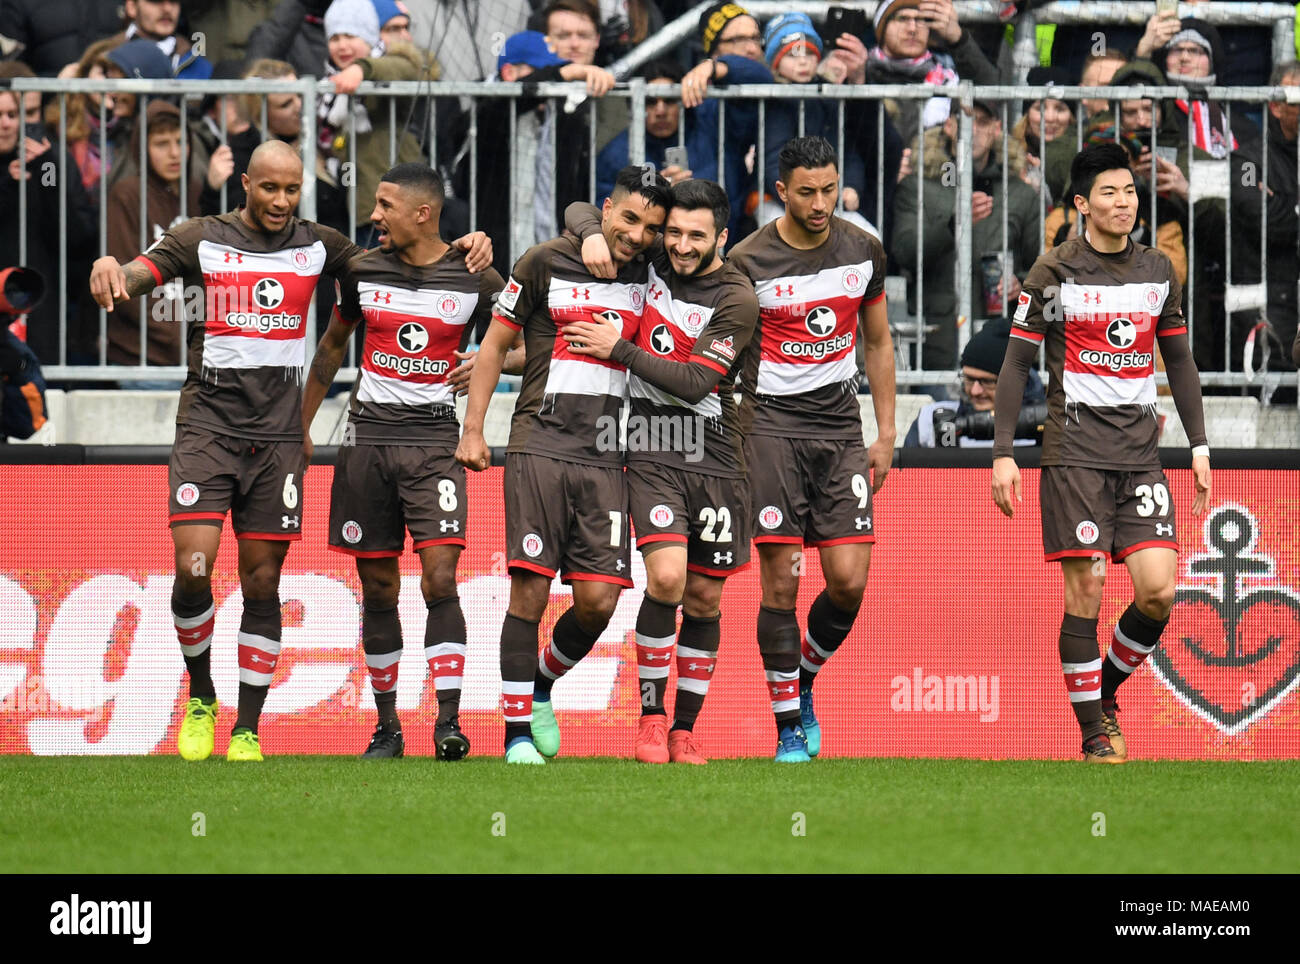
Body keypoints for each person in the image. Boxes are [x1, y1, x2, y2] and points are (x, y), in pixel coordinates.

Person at [87, 139, 491, 763]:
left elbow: (412, 260)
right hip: (209, 428)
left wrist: (471, 241)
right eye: (268, 188)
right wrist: (113, 270)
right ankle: (201, 692)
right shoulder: (201, 236)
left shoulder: (324, 247)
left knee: (263, 579)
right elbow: (142, 274)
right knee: (193, 571)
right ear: (245, 183)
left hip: (277, 442)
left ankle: (247, 730)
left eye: (291, 189)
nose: (280, 200)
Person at [991, 142, 1212, 764]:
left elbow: (1180, 361)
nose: (1125, 203)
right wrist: (1004, 452)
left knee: (1158, 592)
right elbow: (1015, 362)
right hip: (1074, 452)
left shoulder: (1157, 270)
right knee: (1086, 586)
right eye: (1111, 193)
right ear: (1083, 204)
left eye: (1132, 192)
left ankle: (1101, 695)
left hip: (1141, 455)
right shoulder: (1053, 273)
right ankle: (1094, 736)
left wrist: (1199, 445)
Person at [454, 165, 670, 765]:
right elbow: (496, 343)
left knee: (600, 601)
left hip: (609, 455)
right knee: (529, 591)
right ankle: (516, 733)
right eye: (628, 219)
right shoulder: (543, 261)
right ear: (606, 209)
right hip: (540, 445)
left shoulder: (653, 278)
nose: (638, 235)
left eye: (651, 226)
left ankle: (543, 683)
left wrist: (594, 226)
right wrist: (474, 430)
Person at [301, 163, 517, 759]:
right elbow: (329, 348)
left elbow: (523, 343)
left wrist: (491, 366)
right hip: (366, 441)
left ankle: (448, 722)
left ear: (423, 213)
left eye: (385, 204)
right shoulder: (361, 270)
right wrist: (301, 429)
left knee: (441, 577)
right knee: (378, 587)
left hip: (434, 446)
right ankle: (388, 727)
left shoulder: (477, 277)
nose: (375, 215)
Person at [561, 179, 759, 764]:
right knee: (668, 579)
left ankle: (685, 728)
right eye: (672, 232)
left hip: (718, 456)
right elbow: (578, 205)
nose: (680, 245)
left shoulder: (736, 298)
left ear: (722, 236)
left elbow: (698, 382)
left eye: (696, 235)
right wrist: (594, 232)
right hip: (651, 446)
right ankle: (650, 718)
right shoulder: (654, 260)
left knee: (702, 598)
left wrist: (619, 347)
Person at [726, 136, 895, 762]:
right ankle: (787, 726)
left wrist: (885, 432)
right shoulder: (746, 260)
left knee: (848, 582)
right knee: (780, 587)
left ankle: (803, 678)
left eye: (829, 189)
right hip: (768, 432)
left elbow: (877, 344)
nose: (821, 203)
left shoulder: (863, 251)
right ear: (781, 192)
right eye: (807, 192)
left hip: (839, 432)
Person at [892, 98, 1040, 371]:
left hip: (1001, 341)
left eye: (982, 123)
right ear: (949, 126)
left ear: (996, 129)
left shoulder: (1020, 192)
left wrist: (1019, 284)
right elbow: (904, 251)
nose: (973, 130)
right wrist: (954, 225)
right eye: (965, 121)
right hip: (939, 339)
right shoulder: (917, 186)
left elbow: (1040, 267)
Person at [455, 29, 614, 278]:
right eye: (542, 75)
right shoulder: (486, 113)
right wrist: (567, 72)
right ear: (509, 74)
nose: (550, 88)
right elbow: (503, 108)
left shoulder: (562, 118)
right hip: (491, 264)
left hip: (549, 261)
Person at [754, 13, 900, 243]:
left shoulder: (830, 97)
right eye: (792, 55)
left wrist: (851, 186)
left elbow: (847, 152)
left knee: (870, 239)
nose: (803, 61)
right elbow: (773, 160)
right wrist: (799, 196)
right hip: (780, 201)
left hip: (829, 200)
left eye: (810, 53)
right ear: (775, 62)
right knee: (780, 242)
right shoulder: (774, 103)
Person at [104, 100, 202, 372]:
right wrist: (178, 342)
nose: (174, 153)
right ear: (142, 147)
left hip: (192, 358)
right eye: (161, 144)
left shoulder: (195, 192)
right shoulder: (127, 195)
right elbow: (125, 283)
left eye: (181, 141)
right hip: (142, 359)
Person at [1229, 61, 1300, 382]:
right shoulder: (1249, 160)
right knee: (1279, 389)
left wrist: (1284, 204)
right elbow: (1265, 221)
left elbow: (1278, 214)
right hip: (1273, 302)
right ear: (1275, 105)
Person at [865, 0, 998, 151]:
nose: (913, 29)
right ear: (881, 29)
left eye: (921, 20)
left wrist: (959, 39)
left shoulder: (948, 81)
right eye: (902, 19)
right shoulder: (861, 75)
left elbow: (991, 92)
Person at [903, 319, 1045, 448]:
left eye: (988, 382)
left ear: (1017, 384)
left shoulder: (1044, 427)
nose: (975, 391)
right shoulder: (930, 419)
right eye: (969, 379)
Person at [594, 58, 717, 199]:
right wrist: (655, 196)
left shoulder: (711, 136)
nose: (661, 111)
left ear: (684, 101)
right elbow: (605, 211)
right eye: (650, 102)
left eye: (669, 100)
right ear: (635, 105)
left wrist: (715, 67)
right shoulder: (615, 155)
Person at [109, 0, 214, 80]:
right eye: (156, 0)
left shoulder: (199, 66)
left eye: (173, 1)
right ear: (132, 6)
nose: (167, 9)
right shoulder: (105, 57)